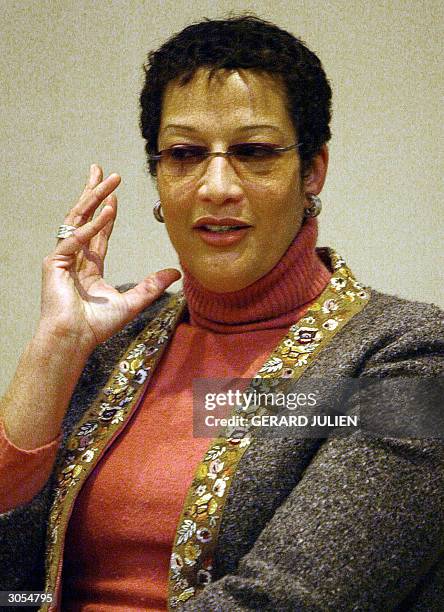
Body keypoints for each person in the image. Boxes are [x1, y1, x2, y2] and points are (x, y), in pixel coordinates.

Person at [0, 14, 443, 612]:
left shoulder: (406, 358)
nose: (216, 187)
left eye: (253, 152)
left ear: (312, 169)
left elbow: (289, 600)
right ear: (158, 175)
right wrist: (52, 350)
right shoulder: (111, 336)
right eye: (184, 153)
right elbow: (13, 581)